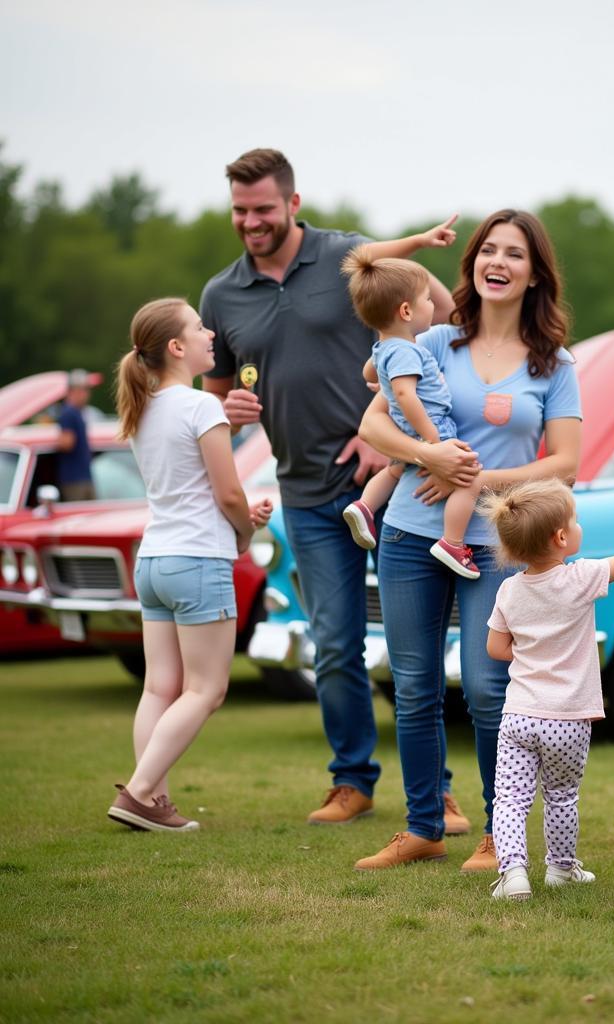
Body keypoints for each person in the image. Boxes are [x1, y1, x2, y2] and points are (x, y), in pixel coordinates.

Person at [199, 148, 471, 832]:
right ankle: (352, 781)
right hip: (307, 496)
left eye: (262, 208)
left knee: (412, 649)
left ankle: (435, 792)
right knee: (335, 644)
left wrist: (379, 428)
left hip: (394, 485)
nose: (250, 221)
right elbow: (215, 394)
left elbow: (433, 304)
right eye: (239, 210)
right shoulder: (221, 295)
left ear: (292, 203)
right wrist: (225, 412)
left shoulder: (348, 254)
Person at [354, 209, 582, 872]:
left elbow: (564, 461)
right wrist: (431, 457)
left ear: (535, 272)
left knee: (487, 685)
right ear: (473, 263)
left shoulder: (554, 363)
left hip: (499, 546)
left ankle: (496, 834)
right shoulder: (432, 342)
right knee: (414, 685)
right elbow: (374, 424)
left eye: (514, 254)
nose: (498, 263)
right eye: (489, 250)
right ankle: (423, 826)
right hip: (407, 535)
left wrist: (480, 477)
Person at [108, 298, 273, 832]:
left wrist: (241, 513)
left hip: (154, 559)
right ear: (177, 347)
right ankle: (138, 794)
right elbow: (227, 492)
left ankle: (153, 801)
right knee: (206, 690)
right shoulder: (203, 407)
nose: (210, 335)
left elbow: (193, 491)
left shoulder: (141, 406)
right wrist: (245, 530)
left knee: (159, 687)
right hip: (198, 560)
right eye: (200, 328)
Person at [482, 479, 614, 899]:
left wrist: (531, 650)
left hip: (520, 714)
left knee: (510, 799)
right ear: (560, 538)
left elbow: (496, 648)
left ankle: (514, 874)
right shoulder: (581, 578)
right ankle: (560, 868)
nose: (577, 525)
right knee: (561, 796)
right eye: (573, 520)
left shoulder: (508, 590)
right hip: (569, 719)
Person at [341, 248, 483, 579]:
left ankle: (364, 506)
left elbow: (369, 375)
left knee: (394, 469)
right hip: (433, 426)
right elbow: (405, 395)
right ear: (406, 310)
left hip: (407, 430)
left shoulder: (383, 348)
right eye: (427, 300)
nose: (433, 307)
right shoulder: (407, 350)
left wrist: (386, 384)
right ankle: (453, 542)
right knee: (471, 476)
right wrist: (433, 443)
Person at [56, 369, 96, 501]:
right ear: (74, 391)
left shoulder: (75, 412)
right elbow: (66, 443)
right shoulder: (68, 413)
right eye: (84, 390)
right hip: (74, 479)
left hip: (81, 477)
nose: (87, 394)